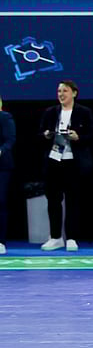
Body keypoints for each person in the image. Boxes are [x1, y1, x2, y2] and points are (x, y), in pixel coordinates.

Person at [39, 79, 93, 251]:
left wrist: (78, 137)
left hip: (74, 162)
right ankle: (55, 237)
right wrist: (47, 135)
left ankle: (71, 237)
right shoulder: (50, 112)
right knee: (53, 200)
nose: (61, 94)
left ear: (74, 93)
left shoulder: (84, 112)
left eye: (65, 91)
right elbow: (40, 134)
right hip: (54, 161)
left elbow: (92, 135)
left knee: (73, 201)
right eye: (59, 92)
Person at [0, 94, 12, 256]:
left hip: (2, 166)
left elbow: (10, 139)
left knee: (0, 202)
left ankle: (1, 241)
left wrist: (1, 150)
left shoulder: (5, 117)